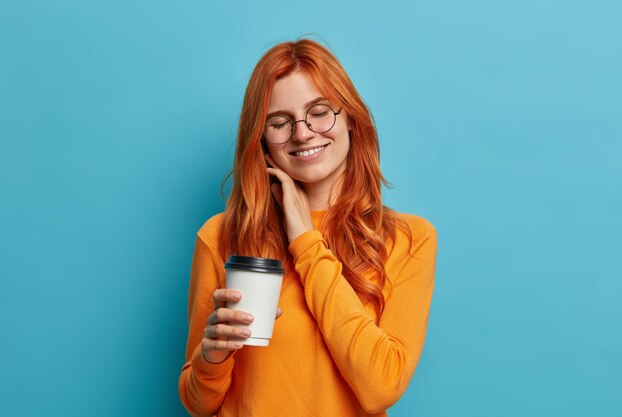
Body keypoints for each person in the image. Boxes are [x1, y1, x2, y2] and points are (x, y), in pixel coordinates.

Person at [178, 39, 438, 417]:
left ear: (350, 118)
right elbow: (197, 403)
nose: (302, 133)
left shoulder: (409, 239)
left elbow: (382, 387)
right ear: (262, 139)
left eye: (319, 112)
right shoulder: (220, 237)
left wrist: (305, 240)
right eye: (280, 122)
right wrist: (212, 356)